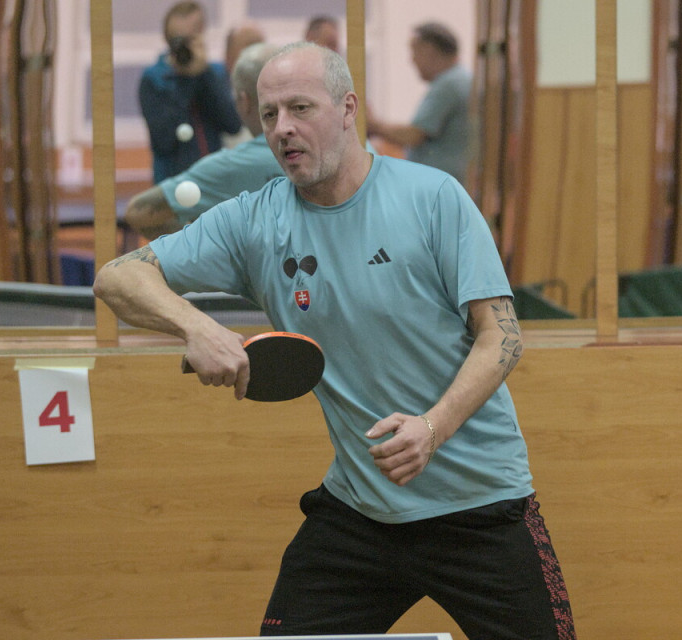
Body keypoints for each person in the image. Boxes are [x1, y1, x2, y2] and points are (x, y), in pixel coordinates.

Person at [94, 43, 575, 639]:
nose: (283, 128)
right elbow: (117, 278)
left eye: (300, 108)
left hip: (482, 506)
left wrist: (433, 427)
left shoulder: (433, 198)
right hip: (360, 512)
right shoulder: (253, 222)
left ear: (348, 109)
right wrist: (197, 326)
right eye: (269, 115)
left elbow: (502, 336)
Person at [125, 42, 284, 240]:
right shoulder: (319, 151)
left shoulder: (229, 167)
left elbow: (138, 212)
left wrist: (206, 245)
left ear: (243, 102)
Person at [138, 1, 243, 183]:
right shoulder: (154, 79)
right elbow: (163, 141)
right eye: (179, 41)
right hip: (173, 183)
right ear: (168, 40)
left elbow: (233, 125)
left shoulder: (214, 73)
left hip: (214, 180)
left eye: (191, 39)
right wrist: (186, 79)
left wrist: (203, 73)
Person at [366, 22, 472, 183]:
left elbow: (413, 136)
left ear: (429, 51)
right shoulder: (459, 78)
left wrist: (372, 125)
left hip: (440, 186)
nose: (412, 60)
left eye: (415, 52)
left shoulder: (449, 84)